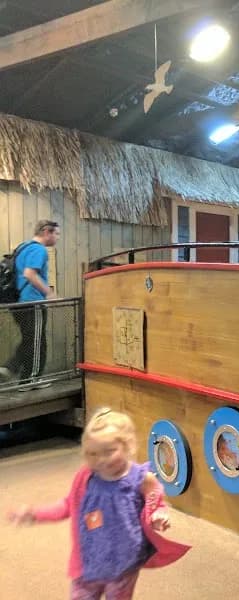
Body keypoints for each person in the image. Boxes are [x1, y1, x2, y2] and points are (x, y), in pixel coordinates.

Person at [7, 408, 191, 599]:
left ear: (126, 446)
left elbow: (155, 501)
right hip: (88, 563)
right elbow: (67, 505)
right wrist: (35, 514)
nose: (101, 460)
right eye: (93, 454)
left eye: (109, 451)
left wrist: (158, 515)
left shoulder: (141, 479)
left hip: (123, 564)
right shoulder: (85, 478)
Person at [0, 219, 60, 384]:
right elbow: (29, 274)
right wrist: (49, 293)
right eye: (56, 233)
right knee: (36, 342)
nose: (58, 237)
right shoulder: (39, 250)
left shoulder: (23, 247)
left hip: (19, 303)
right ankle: (30, 380)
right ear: (46, 232)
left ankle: (14, 368)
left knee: (31, 339)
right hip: (32, 302)